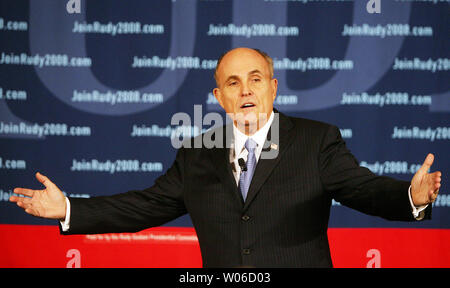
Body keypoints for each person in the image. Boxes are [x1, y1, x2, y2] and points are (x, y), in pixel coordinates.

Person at [10, 47, 442, 267]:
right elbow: (145, 205)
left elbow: (361, 189)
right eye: (233, 83)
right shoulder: (197, 152)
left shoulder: (316, 141)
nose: (246, 90)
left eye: (256, 79)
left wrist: (410, 196)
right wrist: (68, 208)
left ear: (273, 88)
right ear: (219, 97)